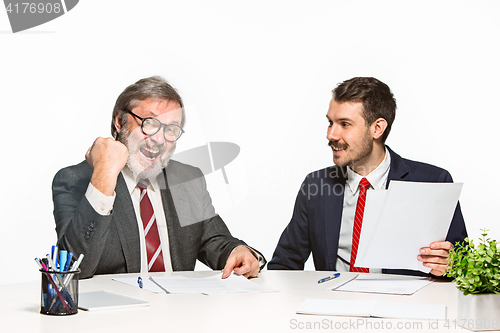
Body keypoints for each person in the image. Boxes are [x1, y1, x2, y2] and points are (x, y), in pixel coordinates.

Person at [53, 76, 265, 279]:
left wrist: (239, 251)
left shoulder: (187, 179)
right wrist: (104, 174)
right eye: (150, 123)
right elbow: (74, 269)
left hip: (179, 311)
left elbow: (215, 241)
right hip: (116, 314)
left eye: (171, 129)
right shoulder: (75, 179)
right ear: (120, 121)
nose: (159, 139)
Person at [268, 77, 467, 277]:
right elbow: (284, 265)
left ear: (377, 128)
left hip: (404, 305)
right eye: (330, 123)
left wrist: (451, 265)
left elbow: (464, 263)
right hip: (334, 304)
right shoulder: (316, 185)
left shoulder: (432, 181)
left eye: (344, 124)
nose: (331, 134)